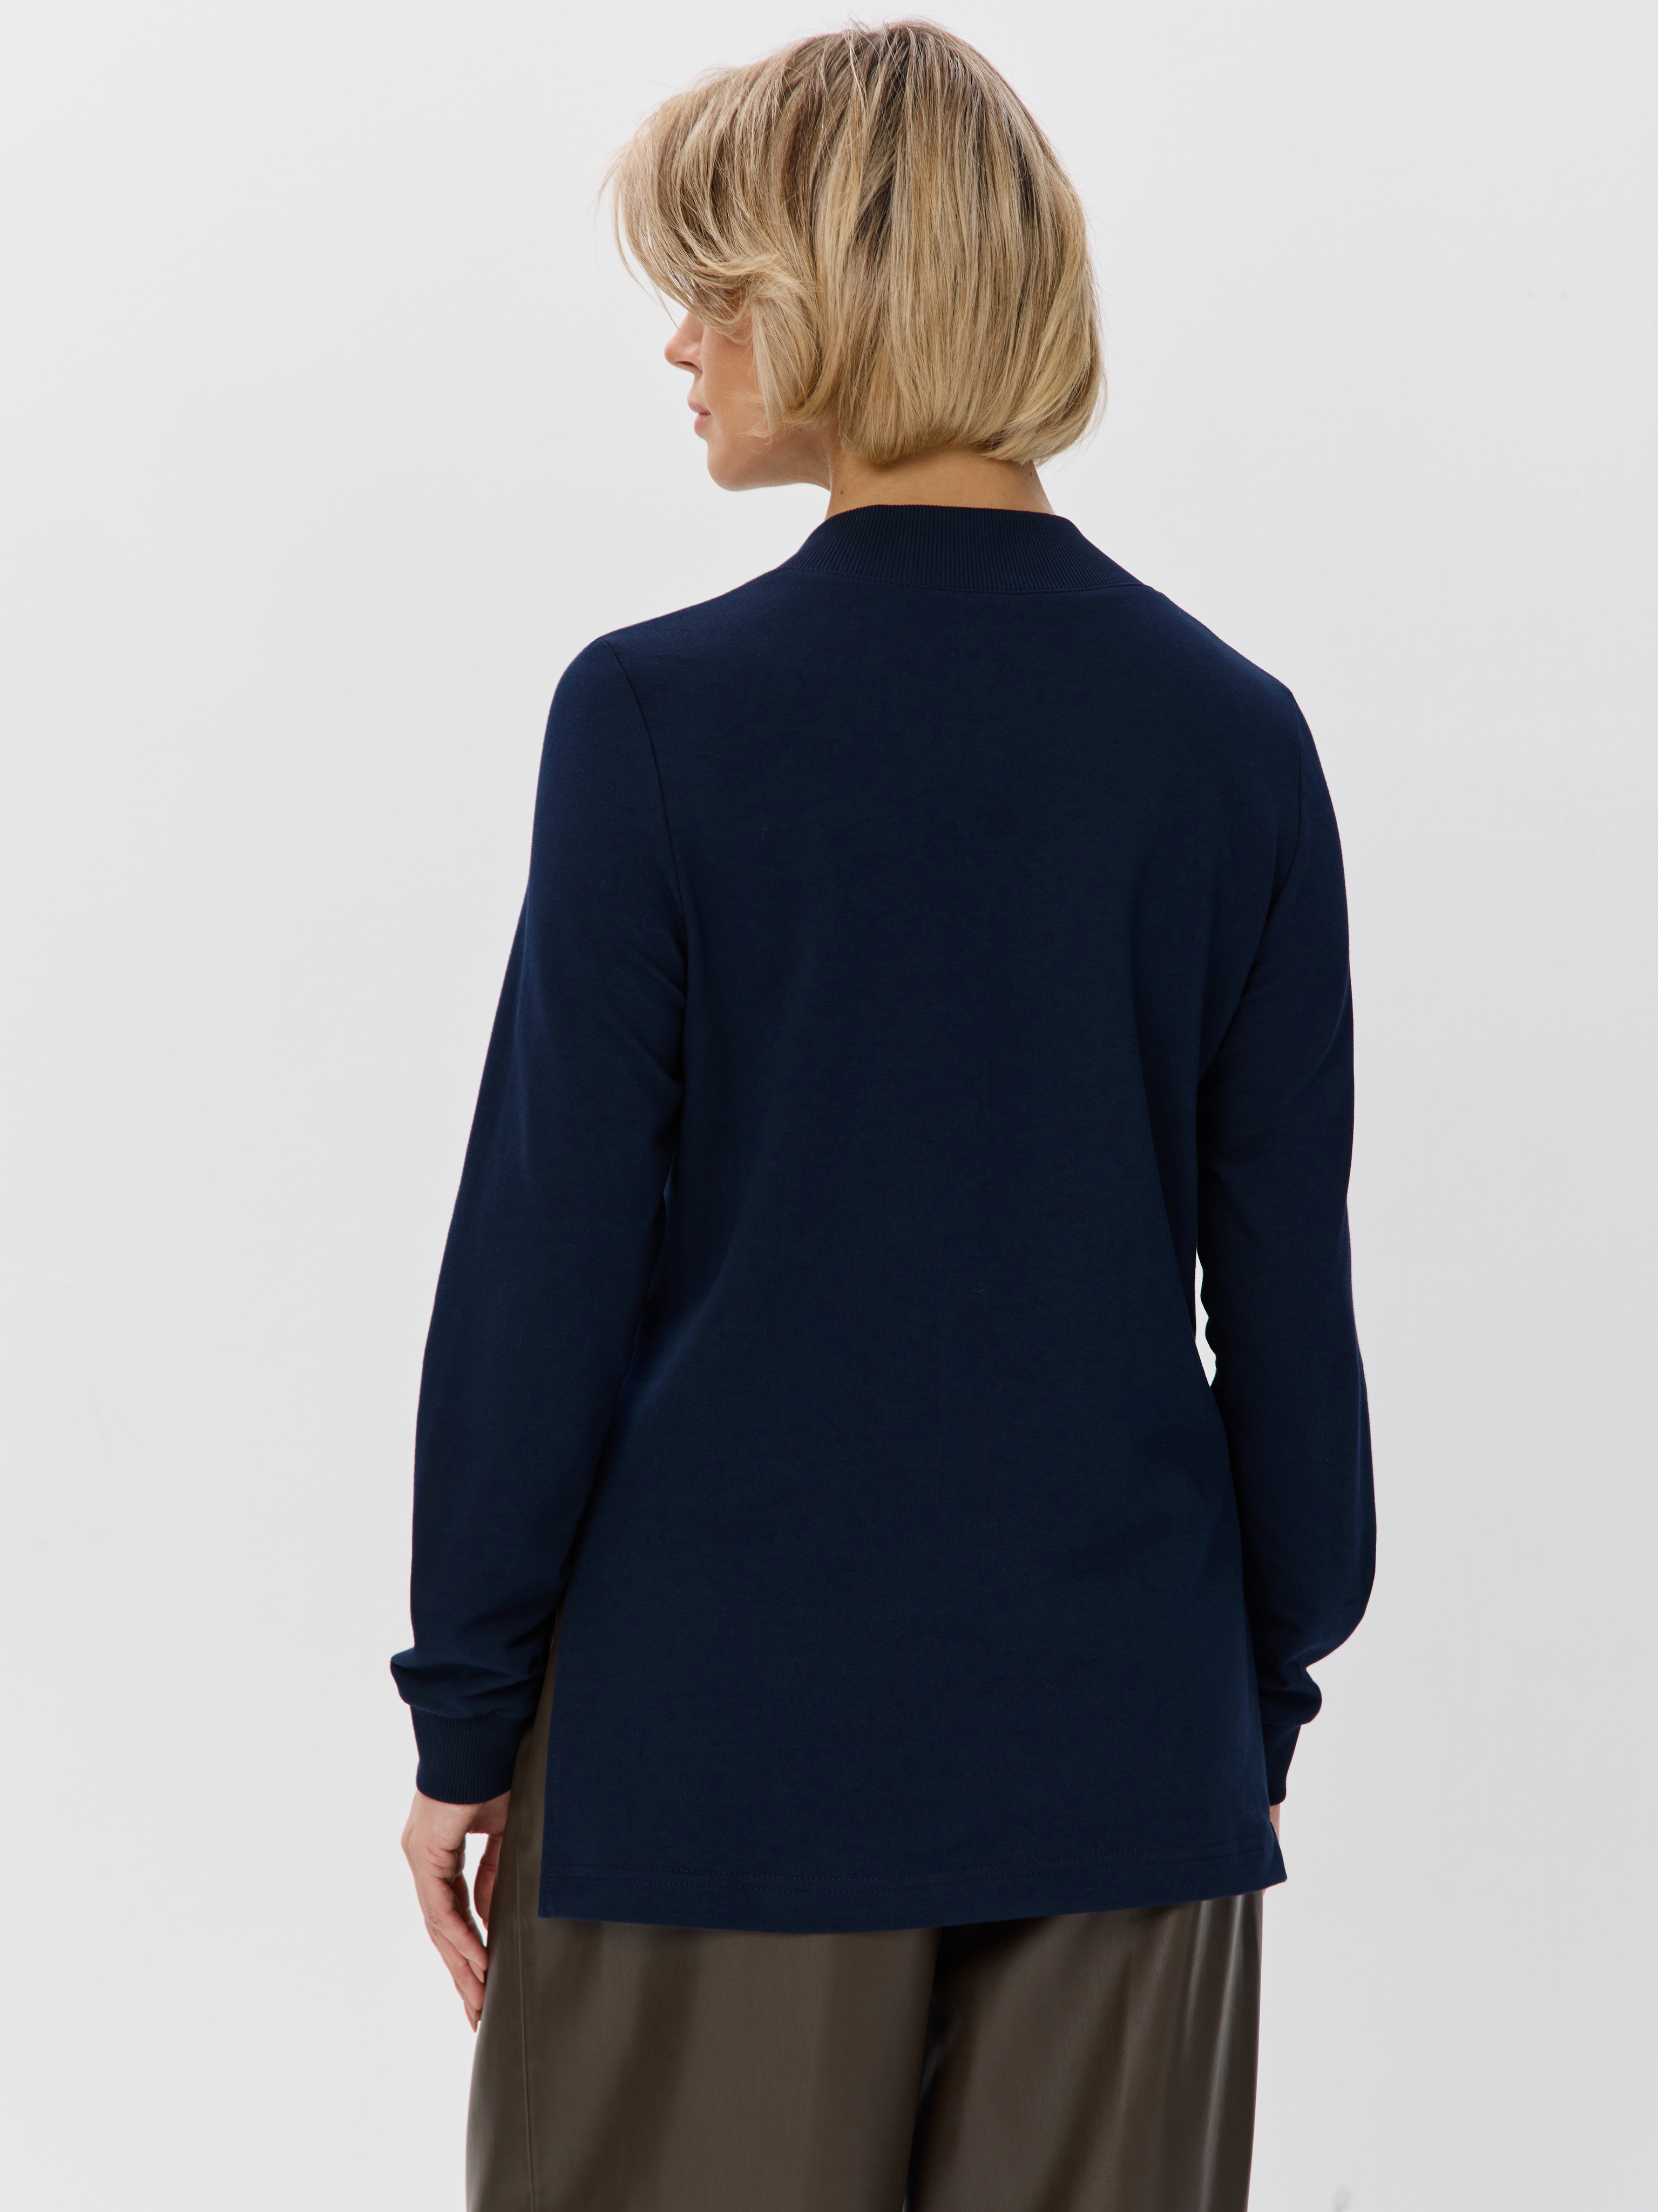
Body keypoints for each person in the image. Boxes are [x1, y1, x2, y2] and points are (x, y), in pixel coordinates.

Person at [391, 22, 1374, 2211]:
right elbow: (1285, 1306)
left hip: (710, 1764)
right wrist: (1253, 1700)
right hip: (1128, 1755)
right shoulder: (1234, 740)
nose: (679, 344)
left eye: (714, 289)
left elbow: (548, 1261)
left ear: (842, 296)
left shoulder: (657, 720)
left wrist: (467, 1716)